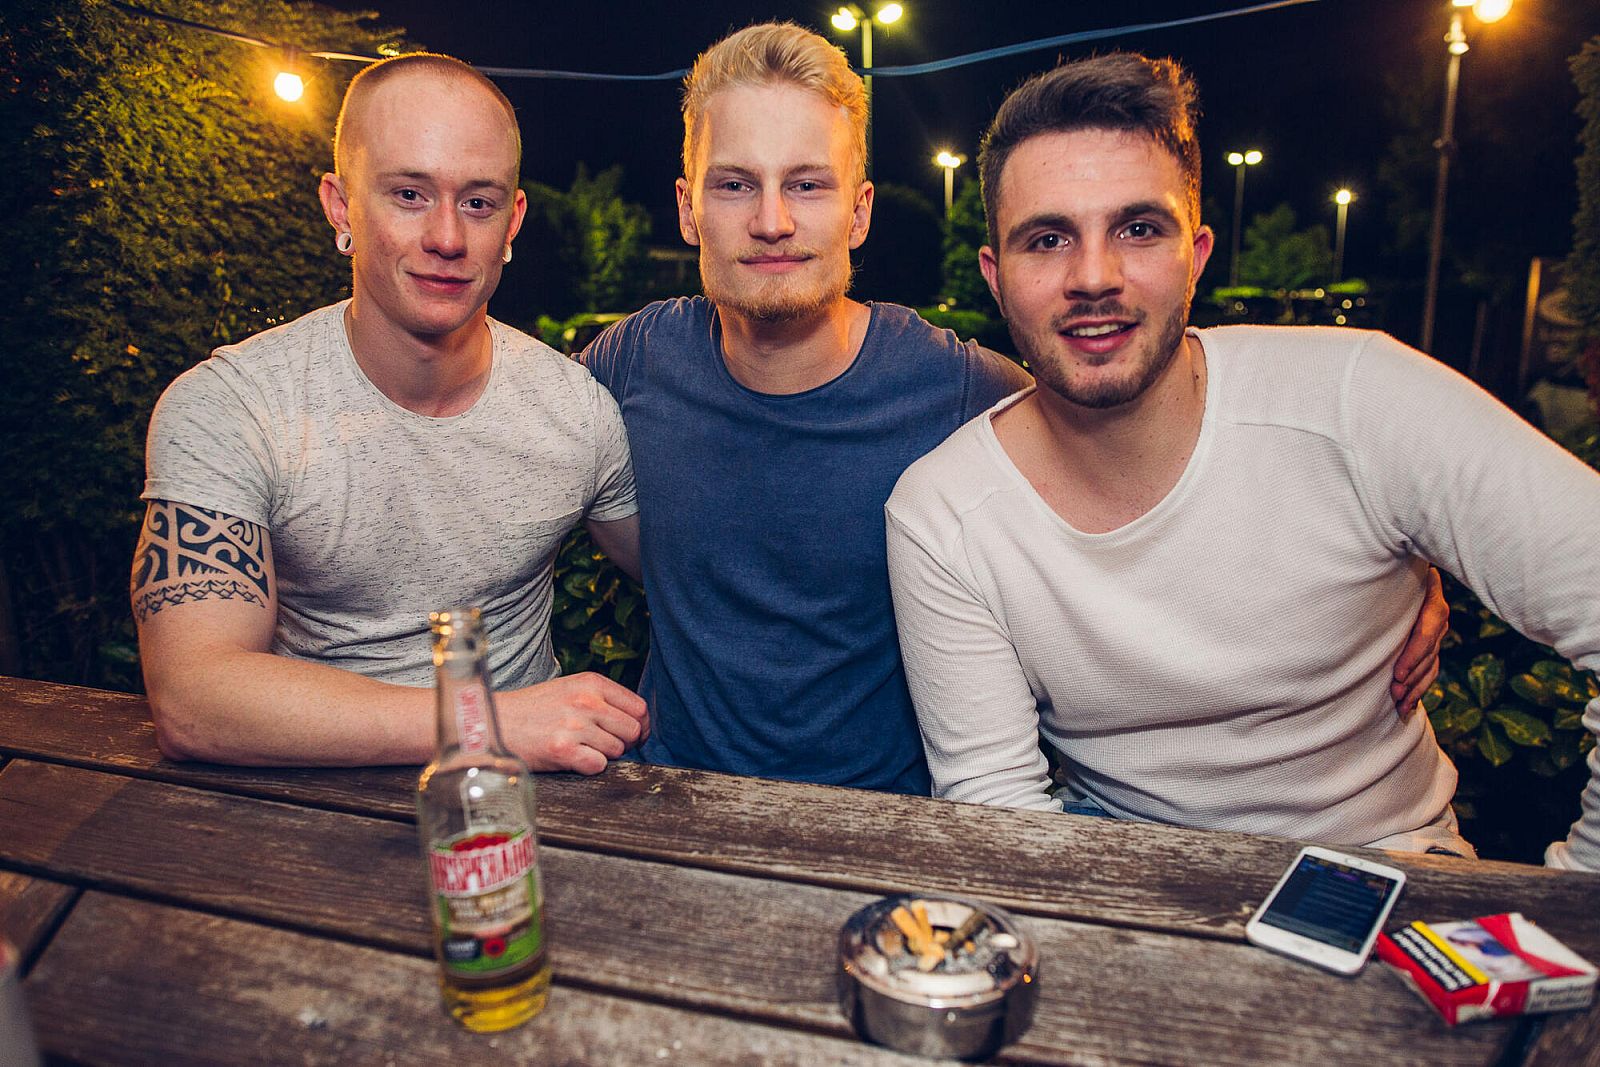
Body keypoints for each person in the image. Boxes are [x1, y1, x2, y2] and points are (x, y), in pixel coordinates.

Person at [581, 24, 1444, 793]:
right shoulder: (637, 358)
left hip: (890, 832)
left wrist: (1399, 562)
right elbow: (511, 426)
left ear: (860, 211)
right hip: (671, 807)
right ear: (688, 209)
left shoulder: (960, 387)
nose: (772, 220)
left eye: (807, 185)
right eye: (735, 185)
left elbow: (1152, 447)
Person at [884, 53, 1600, 868]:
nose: (1094, 276)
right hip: (1121, 873)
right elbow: (999, 811)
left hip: (1386, 864)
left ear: (1196, 253)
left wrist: (1577, 896)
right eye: (1047, 239)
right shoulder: (944, 511)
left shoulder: (1358, 396)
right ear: (997, 276)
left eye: (1138, 229)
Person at [132, 53, 648, 773]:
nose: (447, 237)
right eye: (409, 194)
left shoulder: (575, 409)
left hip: (520, 806)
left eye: (479, 202)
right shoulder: (233, 405)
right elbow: (195, 698)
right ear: (341, 205)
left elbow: (694, 578)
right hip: (301, 799)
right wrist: (487, 722)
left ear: (513, 221)